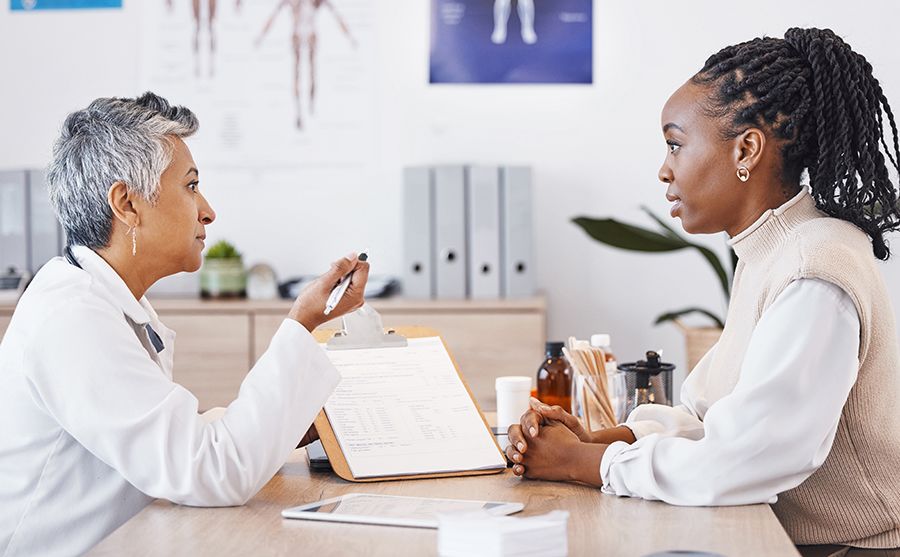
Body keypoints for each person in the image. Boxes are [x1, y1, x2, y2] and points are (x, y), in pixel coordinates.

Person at [506, 27, 900, 554]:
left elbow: (746, 456)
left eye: (675, 144)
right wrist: (602, 439)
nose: (664, 170)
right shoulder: (773, 249)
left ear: (747, 149)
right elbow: (705, 414)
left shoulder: (813, 267)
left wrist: (582, 463)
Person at [0, 92, 369, 556]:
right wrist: (302, 322)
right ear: (127, 205)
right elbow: (211, 470)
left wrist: (279, 426)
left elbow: (172, 439)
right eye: (191, 186)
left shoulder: (102, 299)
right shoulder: (70, 319)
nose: (207, 211)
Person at [255, 0, 357, 129]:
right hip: (298, 35)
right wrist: (261, 36)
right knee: (298, 74)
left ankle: (310, 105)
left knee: (311, 72)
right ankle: (299, 111)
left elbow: (336, 15)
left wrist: (350, 37)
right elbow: (274, 15)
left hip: (309, 35)